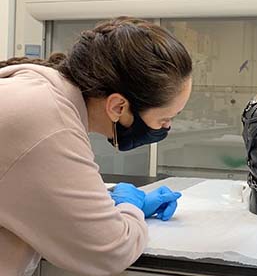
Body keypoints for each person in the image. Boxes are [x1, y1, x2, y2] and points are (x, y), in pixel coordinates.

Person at [0, 17, 192, 275]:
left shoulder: (39, 89)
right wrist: (131, 207)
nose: (166, 127)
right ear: (117, 107)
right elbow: (111, 252)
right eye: (165, 118)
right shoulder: (50, 122)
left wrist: (108, 201)